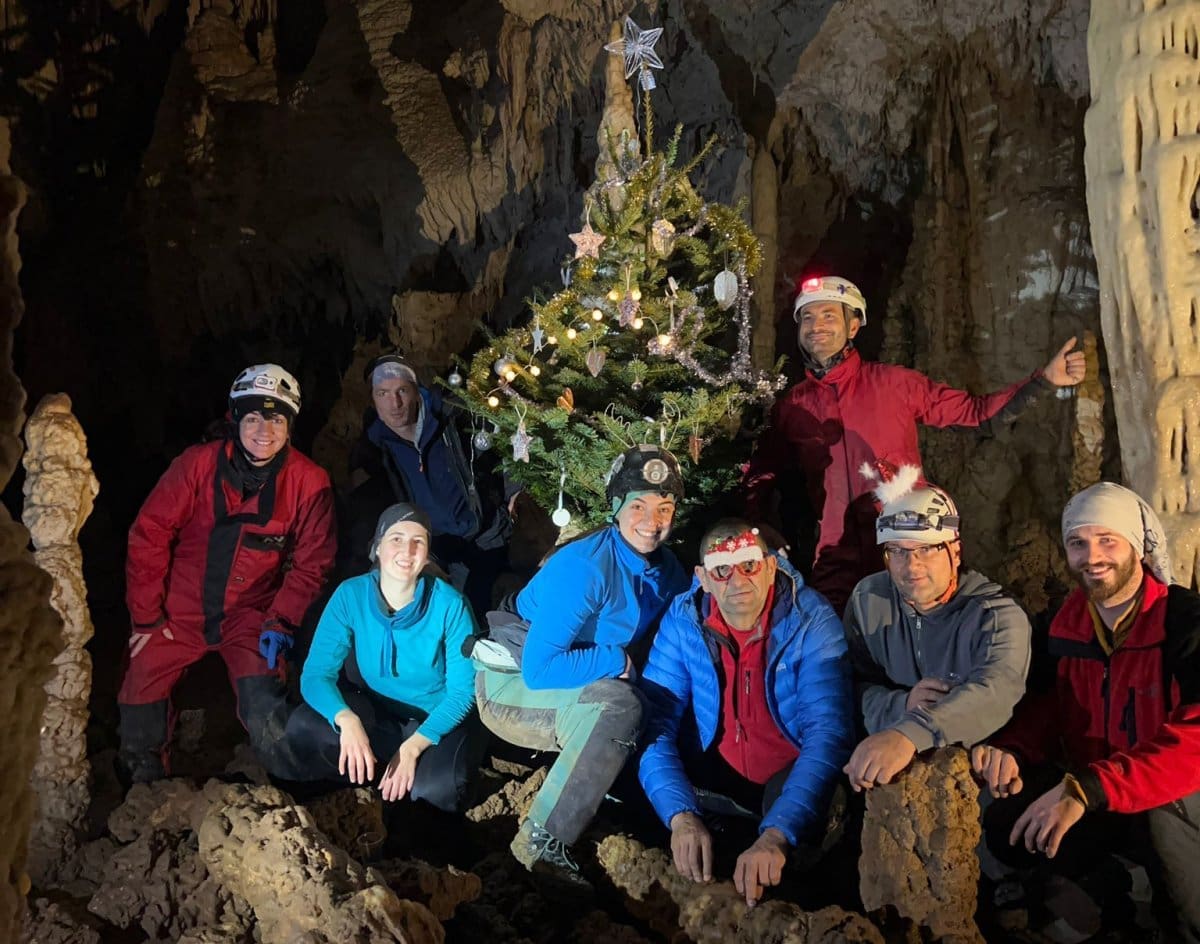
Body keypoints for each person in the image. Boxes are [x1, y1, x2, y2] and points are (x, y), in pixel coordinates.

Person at [742, 274, 1087, 613]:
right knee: (841, 653)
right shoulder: (793, 406)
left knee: (919, 646)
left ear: (853, 326)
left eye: (829, 314)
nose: (816, 325)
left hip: (908, 548)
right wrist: (760, 526)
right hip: (835, 560)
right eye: (807, 317)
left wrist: (1042, 382)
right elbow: (764, 471)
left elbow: (974, 413)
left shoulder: (895, 384)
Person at [971, 483, 1200, 942]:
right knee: (1001, 821)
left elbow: (1195, 741)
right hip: (1092, 789)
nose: (1092, 557)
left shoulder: (1184, 623)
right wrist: (1013, 749)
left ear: (1136, 544)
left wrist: (1091, 788)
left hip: (1167, 796)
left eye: (1107, 540)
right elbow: (1053, 705)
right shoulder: (1066, 624)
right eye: (1079, 543)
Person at [473, 445, 691, 884]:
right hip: (511, 685)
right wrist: (616, 659)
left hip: (571, 683)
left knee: (649, 696)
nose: (653, 520)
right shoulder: (587, 569)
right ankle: (540, 841)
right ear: (616, 507)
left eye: (664, 507)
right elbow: (540, 669)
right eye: (640, 505)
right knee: (621, 706)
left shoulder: (666, 571)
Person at [119, 364, 337, 783]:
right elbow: (149, 534)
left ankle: (291, 781)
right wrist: (146, 616)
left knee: (265, 704)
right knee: (141, 686)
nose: (264, 429)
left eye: (276, 418)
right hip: (178, 612)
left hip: (250, 616)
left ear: (289, 425)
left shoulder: (309, 483)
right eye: (252, 417)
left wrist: (282, 619)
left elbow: (314, 563)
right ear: (234, 419)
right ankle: (142, 787)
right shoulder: (197, 465)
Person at [638, 519, 854, 907]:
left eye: (749, 566)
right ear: (703, 578)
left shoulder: (810, 620)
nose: (737, 582)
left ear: (771, 567)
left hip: (784, 781)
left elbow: (828, 733)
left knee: (825, 815)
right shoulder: (684, 620)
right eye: (722, 570)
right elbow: (656, 722)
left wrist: (776, 833)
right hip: (714, 778)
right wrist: (680, 816)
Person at [266, 503, 487, 812]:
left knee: (438, 790)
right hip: (380, 714)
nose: (407, 550)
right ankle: (366, 787)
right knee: (305, 726)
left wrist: (413, 747)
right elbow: (316, 674)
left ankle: (417, 802)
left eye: (418, 541)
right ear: (378, 548)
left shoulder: (451, 605)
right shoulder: (351, 595)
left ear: (426, 555)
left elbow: (464, 693)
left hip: (437, 721)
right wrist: (346, 719)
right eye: (396, 538)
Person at [841, 470, 1031, 792]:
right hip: (891, 759)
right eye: (897, 551)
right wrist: (900, 707)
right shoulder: (868, 600)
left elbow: (996, 690)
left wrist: (909, 734)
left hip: (975, 766)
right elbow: (851, 684)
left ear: (955, 551)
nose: (911, 566)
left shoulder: (995, 615)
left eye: (926, 550)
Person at [345, 353, 515, 614]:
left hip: (487, 535)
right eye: (383, 393)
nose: (395, 403)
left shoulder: (452, 416)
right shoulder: (375, 448)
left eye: (402, 390)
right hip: (435, 548)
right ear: (373, 399)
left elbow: (505, 450)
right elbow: (370, 507)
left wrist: (515, 497)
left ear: (416, 391)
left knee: (484, 618)